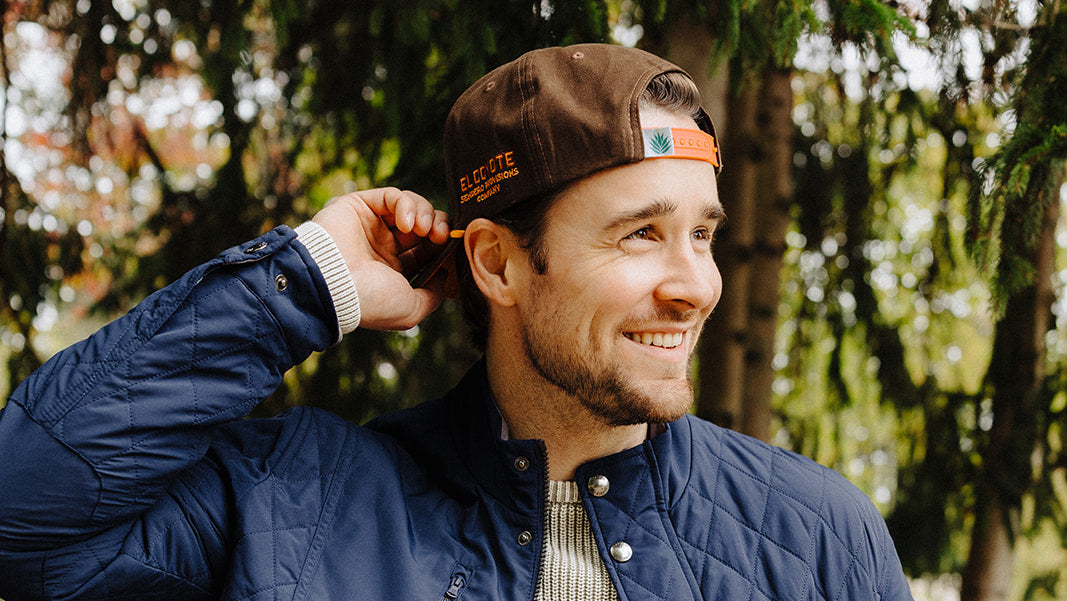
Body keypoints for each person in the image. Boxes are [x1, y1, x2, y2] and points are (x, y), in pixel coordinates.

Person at [0, 44, 913, 601]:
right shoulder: (300, 507)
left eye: (701, 235)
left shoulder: (816, 532)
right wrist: (307, 282)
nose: (694, 286)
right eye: (641, 236)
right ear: (496, 262)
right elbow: (25, 526)